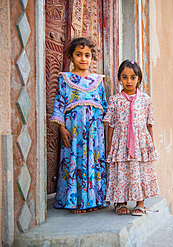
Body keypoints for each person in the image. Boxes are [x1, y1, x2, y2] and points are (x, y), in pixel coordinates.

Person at [50, 37, 108, 214]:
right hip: (73, 132)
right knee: (75, 161)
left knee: (93, 161)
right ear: (71, 56)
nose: (83, 59)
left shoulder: (98, 81)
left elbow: (104, 106)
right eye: (79, 55)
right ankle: (75, 201)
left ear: (92, 58)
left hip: (94, 133)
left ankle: (93, 200)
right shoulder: (65, 79)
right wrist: (61, 128)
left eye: (87, 55)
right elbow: (60, 103)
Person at [103, 59, 159, 216]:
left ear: (139, 79)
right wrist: (110, 145)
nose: (129, 81)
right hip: (120, 142)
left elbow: (149, 124)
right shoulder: (115, 100)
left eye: (133, 77)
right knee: (122, 170)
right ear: (119, 78)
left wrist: (151, 144)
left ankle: (140, 203)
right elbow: (111, 125)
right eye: (125, 77)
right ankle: (120, 202)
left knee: (140, 170)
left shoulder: (146, 100)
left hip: (141, 142)